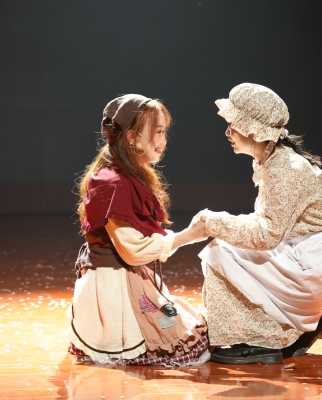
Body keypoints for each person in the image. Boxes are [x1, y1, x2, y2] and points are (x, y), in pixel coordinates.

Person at [197, 83, 322, 365]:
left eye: (232, 125)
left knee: (219, 252)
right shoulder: (273, 161)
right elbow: (267, 224)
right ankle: (295, 328)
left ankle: (259, 340)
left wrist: (215, 223)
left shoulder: (284, 168)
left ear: (252, 129)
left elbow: (266, 235)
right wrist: (218, 221)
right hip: (308, 257)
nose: (227, 133)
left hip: (312, 265)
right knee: (227, 246)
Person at [67, 94, 209, 366]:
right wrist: (189, 235)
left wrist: (188, 235)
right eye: (158, 132)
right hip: (115, 285)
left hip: (126, 278)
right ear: (132, 137)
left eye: (164, 132)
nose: (163, 140)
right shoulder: (113, 182)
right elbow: (133, 250)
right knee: (186, 343)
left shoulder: (123, 175)